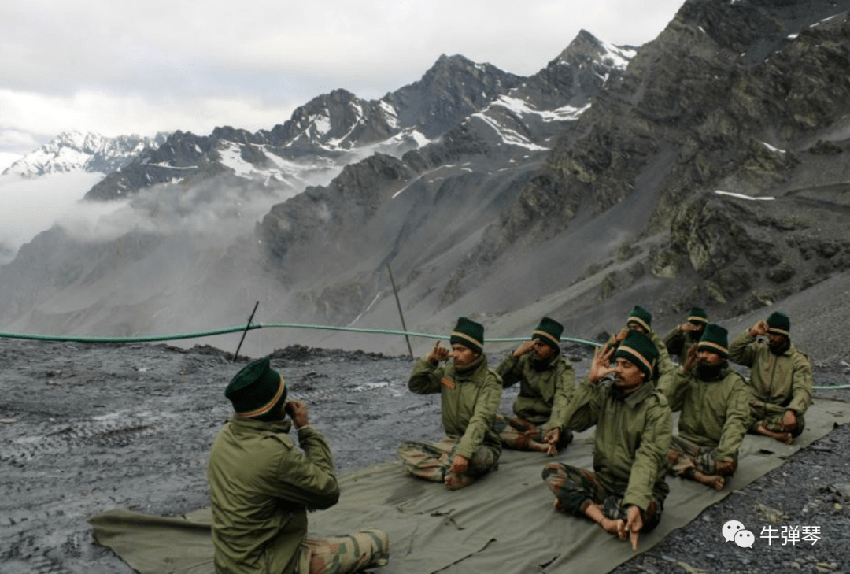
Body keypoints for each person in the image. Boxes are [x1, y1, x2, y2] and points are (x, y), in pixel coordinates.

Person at [208, 357, 389, 574]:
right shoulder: (273, 454)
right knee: (377, 541)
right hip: (268, 566)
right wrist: (305, 430)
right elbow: (328, 491)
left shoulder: (225, 436)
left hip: (232, 563)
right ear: (276, 407)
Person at [542, 330, 672, 551]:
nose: (617, 370)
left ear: (643, 372)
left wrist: (634, 502)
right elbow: (573, 422)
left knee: (645, 513)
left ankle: (587, 506)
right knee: (552, 471)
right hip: (605, 482)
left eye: (626, 365)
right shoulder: (606, 393)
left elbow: (648, 459)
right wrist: (590, 382)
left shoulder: (656, 409)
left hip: (638, 486)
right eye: (617, 363)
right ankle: (605, 518)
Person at [397, 316, 502, 490]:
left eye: (461, 350)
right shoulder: (448, 373)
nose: (455, 355)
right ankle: (447, 474)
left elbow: (481, 420)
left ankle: (458, 468)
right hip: (450, 443)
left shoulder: (490, 382)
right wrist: (431, 361)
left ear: (475, 352)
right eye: (454, 349)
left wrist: (464, 453)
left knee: (475, 458)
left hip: (481, 446)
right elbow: (417, 386)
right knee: (405, 449)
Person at [663, 324, 750, 491]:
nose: (703, 356)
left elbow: (737, 421)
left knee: (726, 463)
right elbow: (667, 404)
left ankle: (679, 464)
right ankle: (698, 475)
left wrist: (725, 454)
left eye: (710, 352)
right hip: (684, 443)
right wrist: (684, 372)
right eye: (701, 351)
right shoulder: (690, 376)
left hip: (713, 449)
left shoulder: (735, 384)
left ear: (722, 357)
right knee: (648, 440)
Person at [728, 311, 813, 445]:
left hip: (777, 411)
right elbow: (732, 354)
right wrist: (752, 333)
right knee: (726, 411)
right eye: (769, 333)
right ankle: (767, 431)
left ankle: (753, 426)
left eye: (775, 334)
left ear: (785, 336)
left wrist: (792, 410)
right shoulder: (759, 351)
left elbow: (803, 390)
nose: (770, 337)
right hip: (753, 406)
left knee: (796, 424)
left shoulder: (799, 361)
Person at [494, 317, 575, 455]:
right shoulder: (525, 360)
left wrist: (555, 427)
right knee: (488, 421)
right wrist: (514, 356)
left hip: (547, 422)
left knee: (562, 434)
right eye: (535, 344)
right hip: (522, 421)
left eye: (541, 345)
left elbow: (563, 401)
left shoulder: (564, 369)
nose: (536, 348)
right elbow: (495, 382)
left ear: (553, 349)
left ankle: (517, 438)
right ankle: (534, 444)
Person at [607, 305, 675, 389]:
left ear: (645, 328)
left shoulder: (655, 343)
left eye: (636, 327)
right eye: (630, 327)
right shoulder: (627, 340)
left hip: (647, 388)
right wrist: (614, 341)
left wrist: (660, 393)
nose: (633, 331)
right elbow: (605, 358)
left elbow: (667, 370)